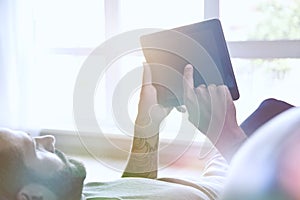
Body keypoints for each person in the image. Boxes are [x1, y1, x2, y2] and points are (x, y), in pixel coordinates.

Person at [0, 63, 248, 200]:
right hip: (248, 181)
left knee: (270, 111)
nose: (48, 139)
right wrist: (227, 136)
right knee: (275, 112)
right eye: (35, 148)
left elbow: (133, 188)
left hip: (218, 175)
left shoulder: (67, 193)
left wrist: (146, 125)